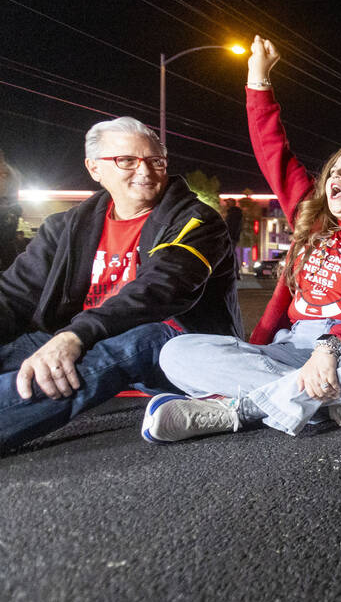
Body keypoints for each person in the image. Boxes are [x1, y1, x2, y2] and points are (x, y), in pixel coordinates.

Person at [142, 36, 341, 442]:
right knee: (175, 353)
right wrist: (258, 79)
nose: (335, 178)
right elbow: (275, 152)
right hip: (290, 345)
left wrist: (331, 348)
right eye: (332, 171)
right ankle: (334, 405)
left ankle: (236, 412)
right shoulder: (310, 217)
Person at [0, 117, 239, 452]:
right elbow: (14, 295)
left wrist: (73, 335)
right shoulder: (65, 227)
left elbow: (162, 289)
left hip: (175, 349)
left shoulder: (197, 221)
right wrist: (65, 338)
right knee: (30, 347)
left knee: (141, 338)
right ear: (94, 168)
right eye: (127, 160)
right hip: (88, 336)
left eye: (155, 161)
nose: (145, 171)